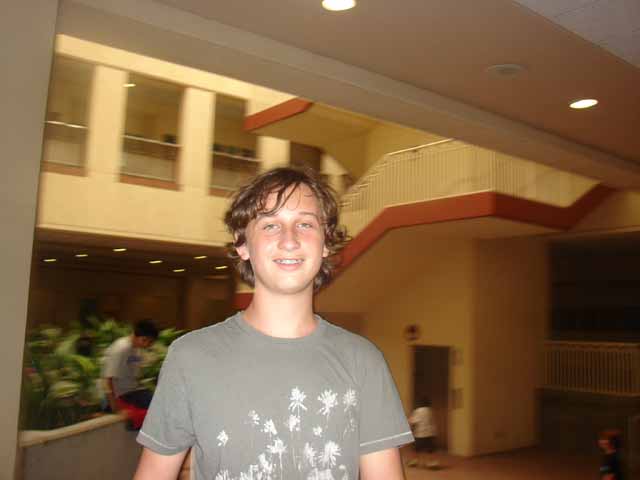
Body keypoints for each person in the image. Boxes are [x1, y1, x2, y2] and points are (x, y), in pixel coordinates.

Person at [133, 167, 414, 480]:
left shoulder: (363, 361)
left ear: (325, 242)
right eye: (270, 225)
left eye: (305, 224)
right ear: (242, 244)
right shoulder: (190, 356)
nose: (289, 240)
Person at [102, 319, 158, 414]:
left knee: (158, 400)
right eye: (149, 342)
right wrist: (114, 406)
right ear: (141, 338)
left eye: (151, 342)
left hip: (131, 391)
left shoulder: (138, 349)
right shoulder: (121, 349)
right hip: (119, 395)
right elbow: (107, 381)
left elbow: (135, 373)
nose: (149, 345)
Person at [407, 398, 438, 469]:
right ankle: (432, 463)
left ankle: (414, 461)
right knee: (430, 449)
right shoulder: (430, 410)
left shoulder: (418, 411)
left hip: (420, 433)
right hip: (431, 433)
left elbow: (413, 421)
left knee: (416, 449)